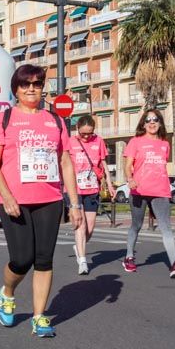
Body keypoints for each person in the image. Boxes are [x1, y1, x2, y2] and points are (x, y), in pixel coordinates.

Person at [0, 64, 84, 338]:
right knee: (21, 259)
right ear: (15, 89)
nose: (31, 89)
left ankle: (39, 317)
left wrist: (74, 204)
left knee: (43, 259)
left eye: (37, 84)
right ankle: (7, 292)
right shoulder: (4, 118)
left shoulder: (55, 121)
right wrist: (6, 196)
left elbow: (66, 162)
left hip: (49, 199)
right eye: (25, 84)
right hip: (15, 199)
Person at [122, 109, 175, 277]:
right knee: (136, 225)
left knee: (166, 227)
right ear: (143, 124)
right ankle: (129, 257)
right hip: (139, 190)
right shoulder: (135, 142)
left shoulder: (165, 144)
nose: (152, 122)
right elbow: (127, 165)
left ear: (160, 123)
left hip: (160, 190)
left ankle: (174, 263)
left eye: (155, 119)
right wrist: (130, 179)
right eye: (148, 120)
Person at [69, 115, 115, 275]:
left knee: (90, 228)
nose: (87, 137)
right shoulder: (70, 142)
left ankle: (78, 245)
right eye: (83, 134)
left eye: (90, 133)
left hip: (92, 188)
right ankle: (82, 261)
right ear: (77, 129)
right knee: (81, 225)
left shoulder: (99, 141)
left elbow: (103, 163)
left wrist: (110, 184)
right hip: (75, 189)